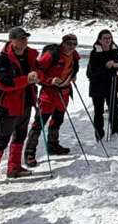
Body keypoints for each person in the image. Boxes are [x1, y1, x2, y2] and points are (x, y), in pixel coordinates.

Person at [0, 27, 42, 188]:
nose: (24, 41)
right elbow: (5, 84)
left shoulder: (29, 56)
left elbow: (39, 70)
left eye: (25, 38)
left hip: (26, 103)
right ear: (12, 40)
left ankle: (14, 167)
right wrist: (27, 80)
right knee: (2, 139)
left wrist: (37, 76)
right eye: (21, 38)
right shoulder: (3, 60)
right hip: (8, 105)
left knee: (20, 136)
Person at [26, 34, 81, 166]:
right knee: (39, 123)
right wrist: (49, 80)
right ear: (63, 43)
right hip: (48, 94)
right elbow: (37, 70)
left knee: (57, 120)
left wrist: (73, 76)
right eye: (69, 44)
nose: (71, 47)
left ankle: (53, 145)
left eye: (74, 44)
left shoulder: (74, 55)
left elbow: (74, 68)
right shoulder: (52, 54)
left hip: (64, 93)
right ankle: (29, 152)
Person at [88, 29, 118, 140]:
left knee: (114, 108)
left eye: (109, 38)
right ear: (99, 40)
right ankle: (99, 133)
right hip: (97, 85)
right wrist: (106, 66)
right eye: (105, 38)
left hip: (111, 84)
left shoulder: (114, 50)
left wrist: (116, 65)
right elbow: (92, 72)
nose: (107, 40)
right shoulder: (94, 53)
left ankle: (116, 129)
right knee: (98, 111)